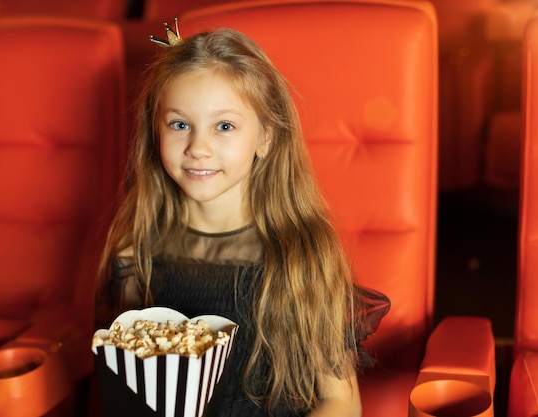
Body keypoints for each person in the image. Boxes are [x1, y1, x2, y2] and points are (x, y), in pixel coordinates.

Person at [95, 20, 390, 417]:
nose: (198, 147)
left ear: (265, 137)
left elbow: (341, 401)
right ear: (156, 131)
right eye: (180, 124)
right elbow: (132, 389)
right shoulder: (137, 249)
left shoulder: (299, 254)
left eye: (224, 126)